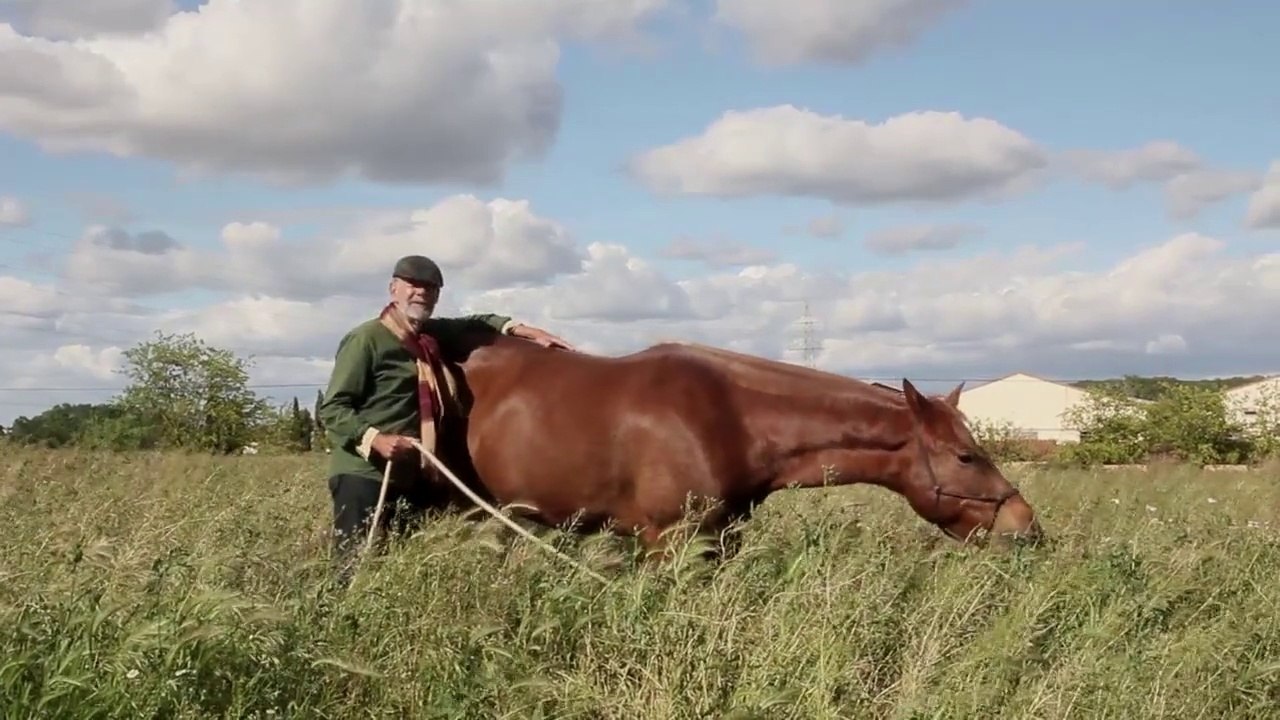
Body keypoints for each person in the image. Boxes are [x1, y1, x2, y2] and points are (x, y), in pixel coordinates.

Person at [317, 254, 573, 583]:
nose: (421, 293)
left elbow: (477, 323)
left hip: (411, 472)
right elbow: (334, 407)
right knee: (352, 566)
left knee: (399, 566)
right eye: (413, 286)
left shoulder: (429, 337)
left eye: (431, 289)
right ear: (394, 288)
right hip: (363, 474)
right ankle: (335, 624)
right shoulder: (366, 339)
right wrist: (375, 439)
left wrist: (524, 330)